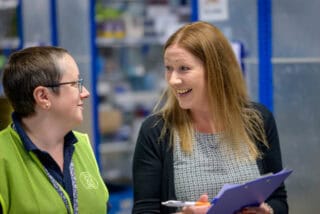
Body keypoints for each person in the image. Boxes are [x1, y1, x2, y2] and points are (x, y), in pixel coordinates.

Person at [132, 21, 288, 214]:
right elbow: (144, 210)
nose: (172, 80)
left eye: (184, 68)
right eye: (168, 68)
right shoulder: (156, 130)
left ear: (216, 71)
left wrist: (267, 211)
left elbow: (279, 199)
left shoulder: (258, 120)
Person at [0, 46, 109, 214]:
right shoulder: (3, 155)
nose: (85, 93)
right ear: (43, 96)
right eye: (75, 84)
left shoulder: (82, 145)